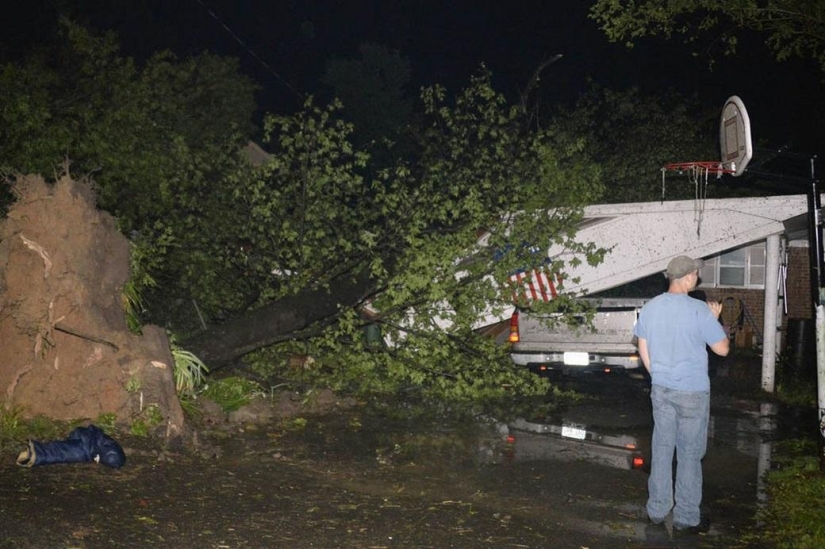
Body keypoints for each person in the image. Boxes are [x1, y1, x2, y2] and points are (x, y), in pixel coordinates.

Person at [634, 255, 730, 535]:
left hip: (661, 388)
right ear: (688, 276)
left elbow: (643, 346)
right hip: (692, 392)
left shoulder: (650, 308)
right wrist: (715, 320)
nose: (697, 278)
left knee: (662, 449)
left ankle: (656, 509)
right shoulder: (700, 310)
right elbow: (722, 349)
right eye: (696, 274)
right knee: (689, 454)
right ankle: (687, 517)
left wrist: (657, 375)